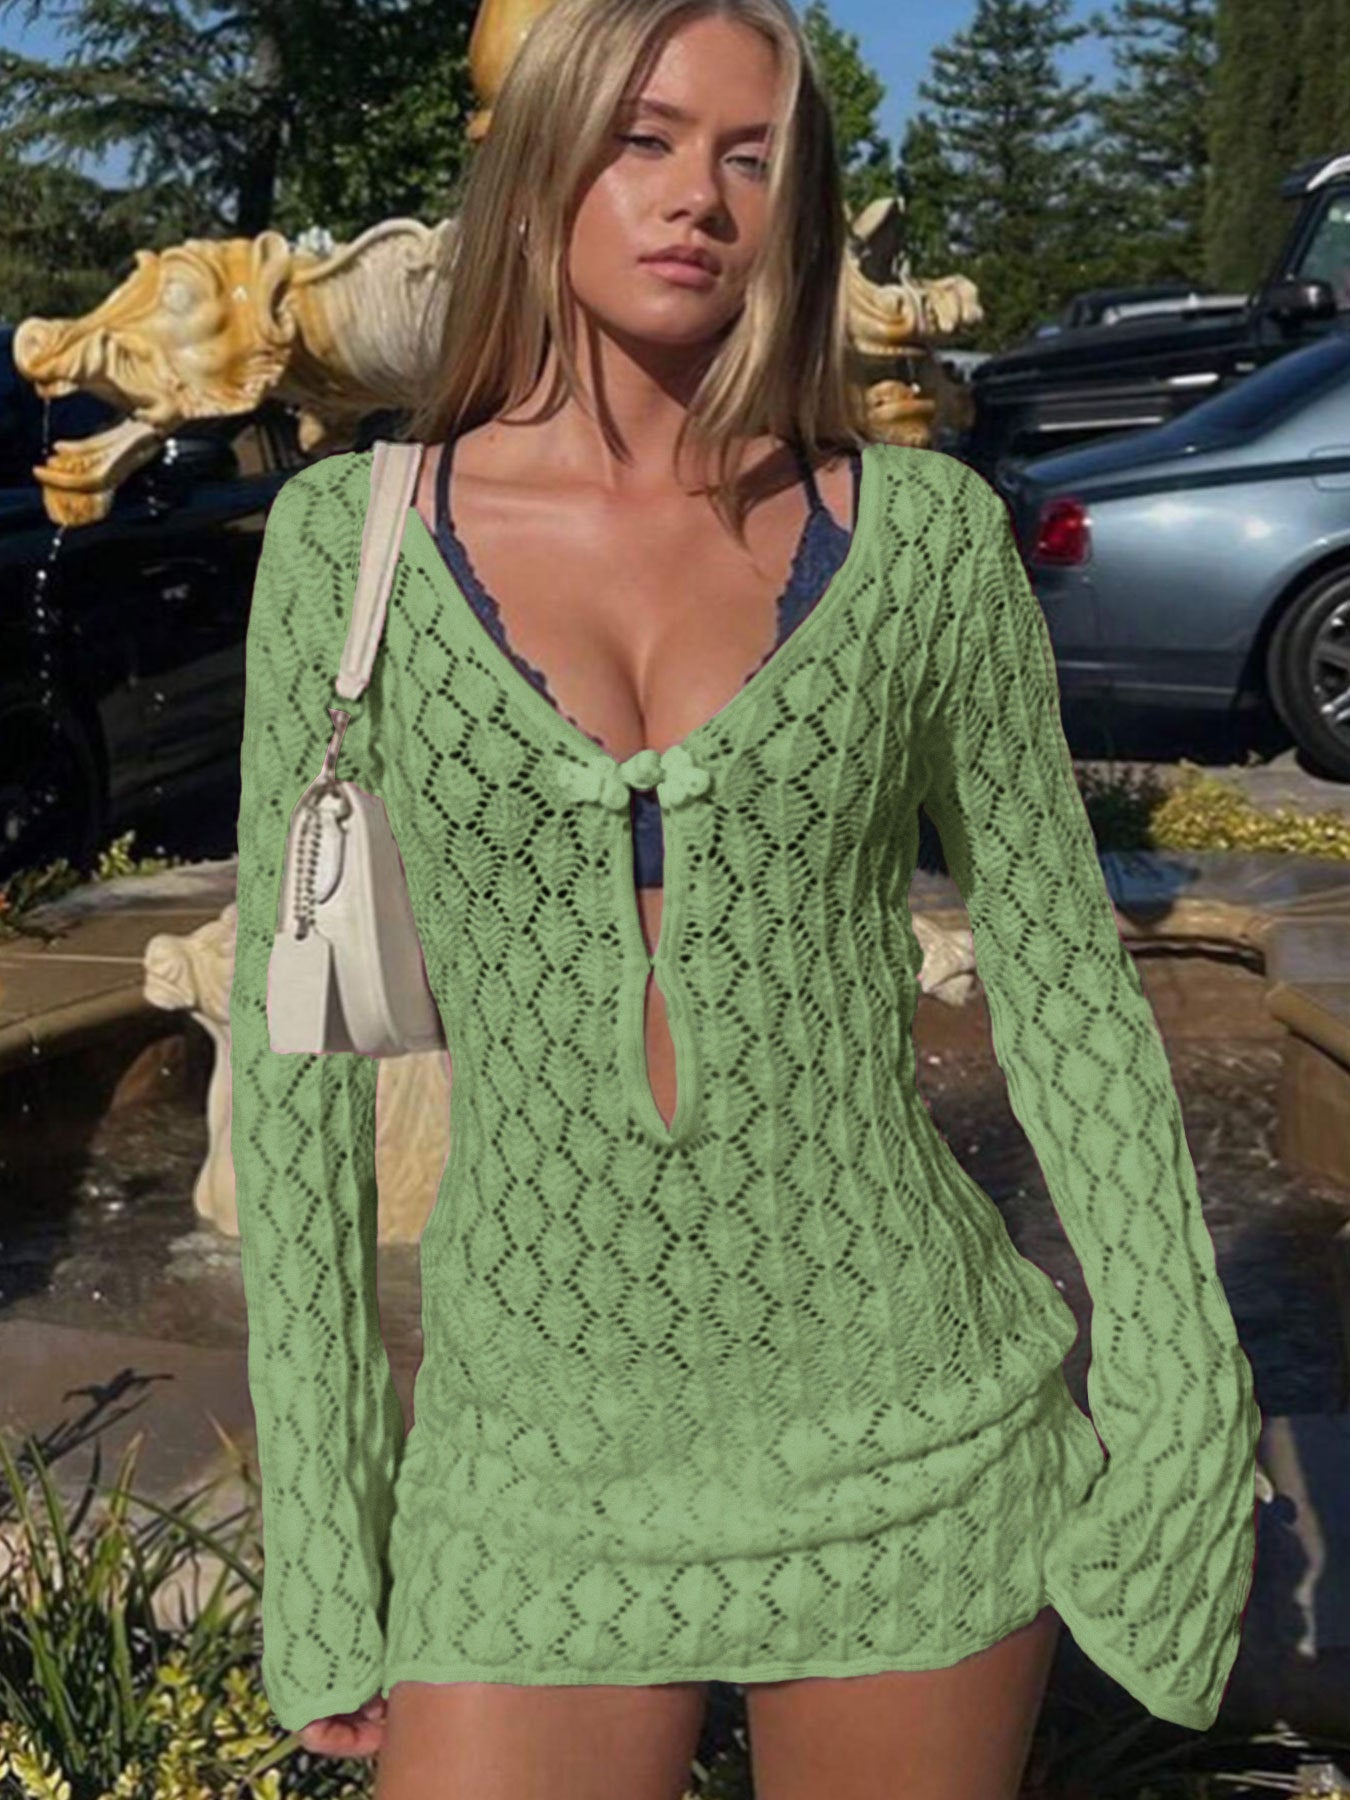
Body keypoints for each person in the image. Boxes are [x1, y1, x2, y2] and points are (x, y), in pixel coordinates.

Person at [227, 0, 1262, 1794]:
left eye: (750, 154)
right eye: (642, 138)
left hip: (909, 1428)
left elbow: (1062, 989)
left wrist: (1180, 1406)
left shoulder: (920, 543)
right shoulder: (349, 551)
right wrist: (325, 1525)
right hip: (527, 1461)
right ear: (542, 158)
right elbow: (297, 1057)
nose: (695, 195)